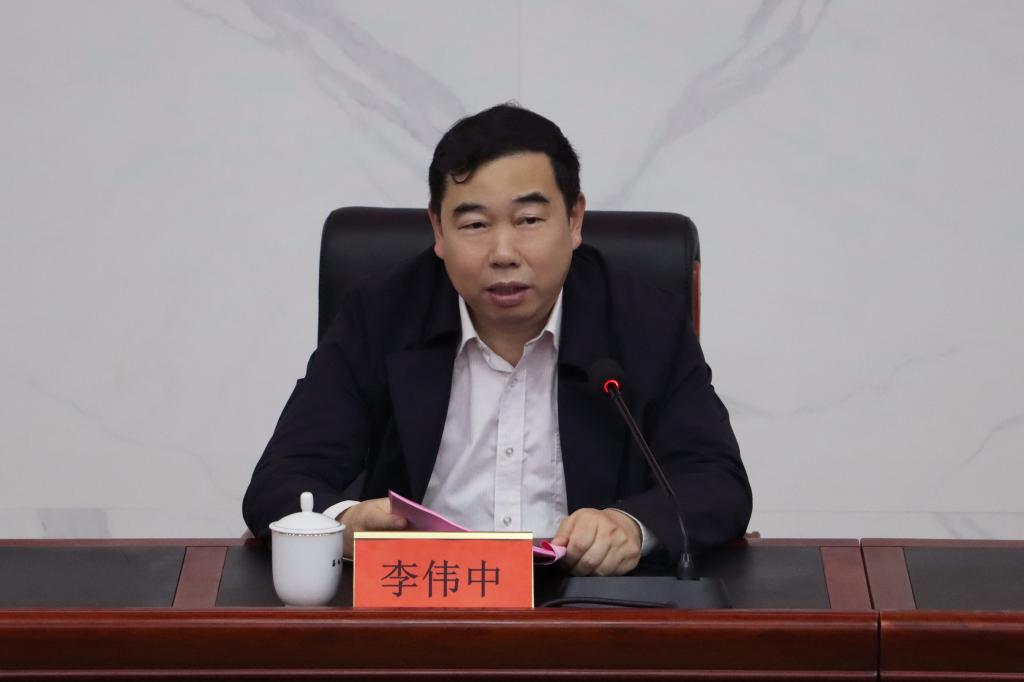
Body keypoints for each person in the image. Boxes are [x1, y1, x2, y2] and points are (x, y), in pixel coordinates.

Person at [243, 103, 751, 576]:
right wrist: (345, 524)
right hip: (421, 603)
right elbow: (280, 482)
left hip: (587, 609)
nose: (503, 252)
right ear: (437, 229)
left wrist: (632, 527)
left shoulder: (644, 321)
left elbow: (716, 480)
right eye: (475, 224)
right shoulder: (380, 316)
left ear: (574, 220)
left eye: (529, 220)